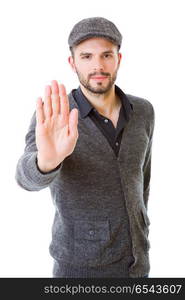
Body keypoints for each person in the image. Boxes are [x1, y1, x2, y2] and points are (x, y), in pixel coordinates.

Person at [15, 17, 155, 278]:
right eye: (87, 56)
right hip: (79, 270)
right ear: (73, 62)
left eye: (106, 55)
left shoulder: (143, 111)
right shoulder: (55, 114)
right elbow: (25, 178)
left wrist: (141, 229)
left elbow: (143, 180)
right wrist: (46, 162)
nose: (98, 65)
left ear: (118, 59)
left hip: (138, 265)